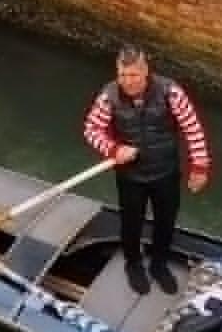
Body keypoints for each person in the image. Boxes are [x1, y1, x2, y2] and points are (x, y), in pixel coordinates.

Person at [83, 44, 209, 297]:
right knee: (131, 222)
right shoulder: (109, 96)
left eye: (133, 76)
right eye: (122, 75)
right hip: (131, 176)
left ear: (145, 72)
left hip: (166, 172)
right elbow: (92, 130)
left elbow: (192, 128)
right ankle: (133, 263)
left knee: (166, 221)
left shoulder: (170, 92)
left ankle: (159, 264)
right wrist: (114, 149)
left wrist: (199, 166)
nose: (127, 82)